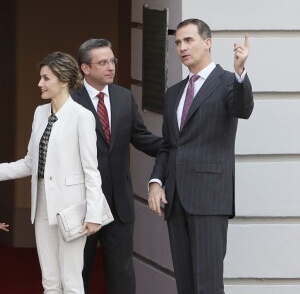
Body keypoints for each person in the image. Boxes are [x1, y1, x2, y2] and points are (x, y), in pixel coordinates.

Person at [148, 19, 254, 294]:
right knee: (186, 283)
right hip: (175, 199)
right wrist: (156, 181)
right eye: (178, 43)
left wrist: (240, 70)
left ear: (207, 42)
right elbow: (169, 145)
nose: (182, 47)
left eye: (188, 40)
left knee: (207, 283)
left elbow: (243, 109)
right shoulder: (174, 94)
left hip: (209, 198)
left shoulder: (229, 82)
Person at [0, 52, 105, 293]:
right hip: (43, 204)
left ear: (63, 80)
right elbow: (29, 163)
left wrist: (94, 214)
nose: (40, 83)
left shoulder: (82, 116)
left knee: (71, 280)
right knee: (49, 280)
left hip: (72, 208)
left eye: (46, 78)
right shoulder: (39, 113)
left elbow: (91, 169)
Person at [72, 38, 162, 294]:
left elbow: (141, 137)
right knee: (78, 273)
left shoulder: (123, 97)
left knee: (122, 275)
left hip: (119, 204)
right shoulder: (71, 102)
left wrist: (175, 147)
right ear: (85, 68)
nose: (111, 67)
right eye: (103, 62)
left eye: (112, 61)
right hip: (82, 205)